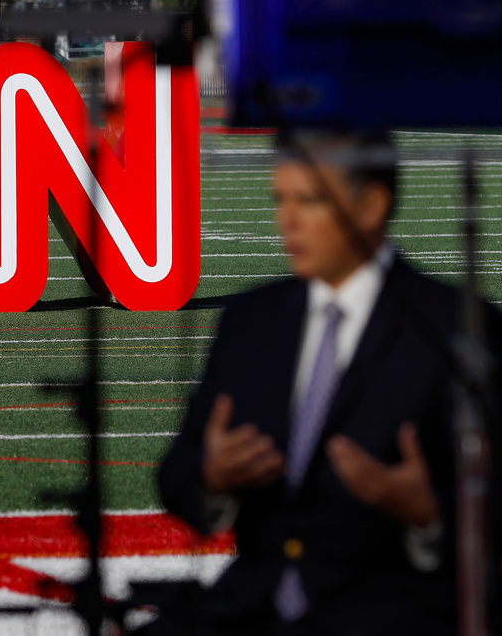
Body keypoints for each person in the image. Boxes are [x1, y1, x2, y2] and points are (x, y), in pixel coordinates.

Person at [157, 129, 502, 636]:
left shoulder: (455, 327)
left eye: (309, 200)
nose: (286, 220)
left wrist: (430, 515)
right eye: (280, 199)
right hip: (249, 607)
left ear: (372, 207)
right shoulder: (250, 320)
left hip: (391, 614)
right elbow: (176, 475)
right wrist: (212, 478)